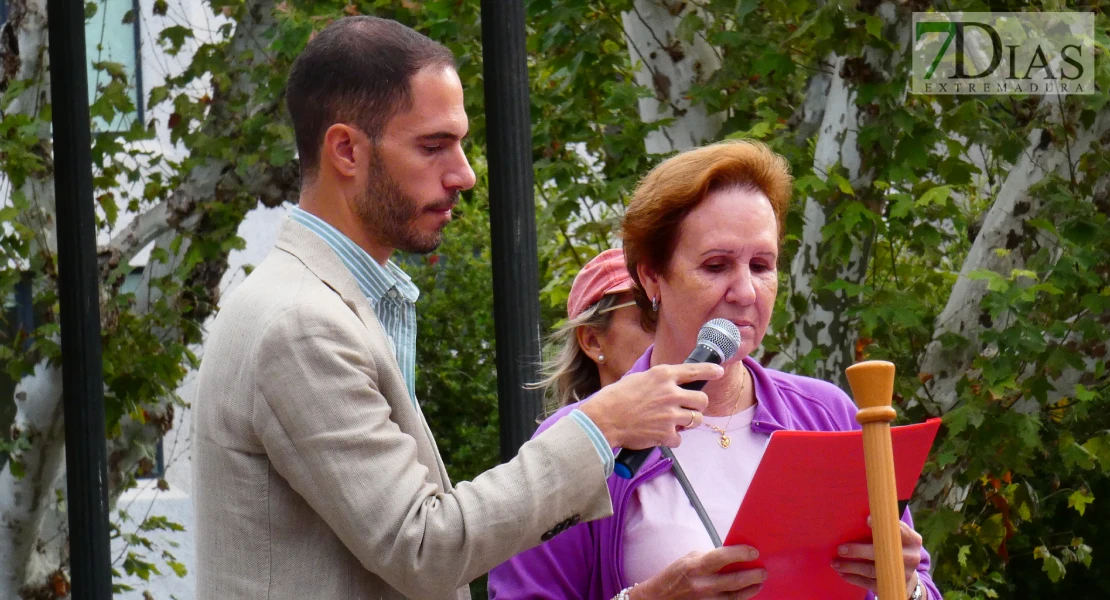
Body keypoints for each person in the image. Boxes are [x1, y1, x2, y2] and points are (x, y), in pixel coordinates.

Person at [191, 16, 724, 600]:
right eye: (433, 146)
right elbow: (424, 547)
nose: (465, 174)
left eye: (461, 143)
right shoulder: (301, 323)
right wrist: (600, 423)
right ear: (345, 149)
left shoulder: (330, 303)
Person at [489, 140, 941, 600]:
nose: (745, 291)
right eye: (716, 265)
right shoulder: (581, 439)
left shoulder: (830, 414)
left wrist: (905, 586)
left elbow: (921, 585)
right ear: (651, 277)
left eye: (762, 265)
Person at [534, 248, 654, 409]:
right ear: (592, 340)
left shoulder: (695, 422)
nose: (670, 330)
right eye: (651, 317)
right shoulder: (568, 432)